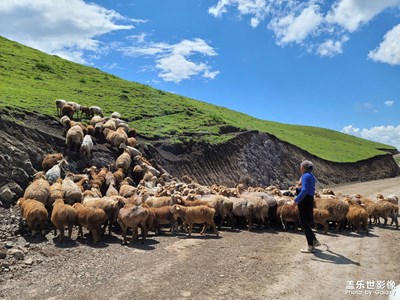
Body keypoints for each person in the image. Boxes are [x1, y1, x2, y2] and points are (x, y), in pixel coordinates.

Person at [294, 160, 321, 253]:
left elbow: (304, 190)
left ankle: (310, 246)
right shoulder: (311, 176)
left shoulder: (305, 176)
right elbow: (311, 189)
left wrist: (297, 199)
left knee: (304, 223)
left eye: (301, 166)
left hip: (304, 201)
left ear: (304, 167)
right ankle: (314, 240)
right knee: (306, 222)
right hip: (309, 199)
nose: (300, 168)